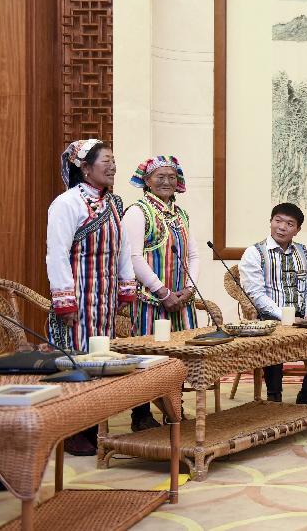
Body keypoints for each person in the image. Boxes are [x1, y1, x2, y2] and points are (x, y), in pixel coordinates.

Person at [47, 139, 136, 455]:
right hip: (79, 297)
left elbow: (123, 248)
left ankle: (93, 425)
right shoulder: (66, 203)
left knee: (100, 358)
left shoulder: (114, 203)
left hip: (105, 298)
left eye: (114, 161)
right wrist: (65, 300)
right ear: (85, 168)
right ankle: (70, 429)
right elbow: (57, 254)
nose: (112, 167)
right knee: (77, 357)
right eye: (106, 162)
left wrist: (126, 287)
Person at [122, 155, 198, 431]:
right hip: (150, 301)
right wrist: (163, 291)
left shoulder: (181, 214)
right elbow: (132, 257)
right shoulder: (137, 212)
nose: (167, 181)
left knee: (179, 357)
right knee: (148, 355)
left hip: (180, 300)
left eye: (171, 177)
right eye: (160, 176)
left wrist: (189, 288)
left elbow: (193, 254)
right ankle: (140, 414)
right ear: (147, 180)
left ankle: (173, 409)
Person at [239, 203, 307, 406]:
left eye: (289, 224)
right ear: (270, 222)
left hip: (302, 313)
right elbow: (256, 295)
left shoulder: (304, 251)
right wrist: (285, 316)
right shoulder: (254, 252)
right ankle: (274, 395)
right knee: (273, 337)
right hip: (270, 314)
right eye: (278, 221)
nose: (282, 227)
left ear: (297, 230)